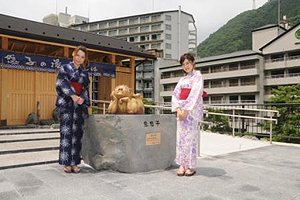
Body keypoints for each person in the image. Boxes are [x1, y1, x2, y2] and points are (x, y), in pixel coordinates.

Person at [55, 45, 90, 173]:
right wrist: (73, 95)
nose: (80, 59)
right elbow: (61, 83)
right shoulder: (65, 68)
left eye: (82, 57)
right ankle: (66, 163)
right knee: (66, 133)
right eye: (78, 55)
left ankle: (75, 163)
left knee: (77, 135)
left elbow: (85, 88)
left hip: (79, 106)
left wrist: (83, 99)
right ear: (73, 55)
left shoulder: (84, 73)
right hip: (67, 105)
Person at [171, 53, 204, 176]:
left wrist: (186, 111)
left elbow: (195, 94)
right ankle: (181, 164)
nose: (186, 66)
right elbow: (175, 94)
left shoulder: (198, 76)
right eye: (183, 64)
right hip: (181, 112)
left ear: (193, 62)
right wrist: (178, 109)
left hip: (191, 111)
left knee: (190, 138)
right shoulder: (182, 80)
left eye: (188, 63)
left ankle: (191, 165)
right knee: (180, 138)